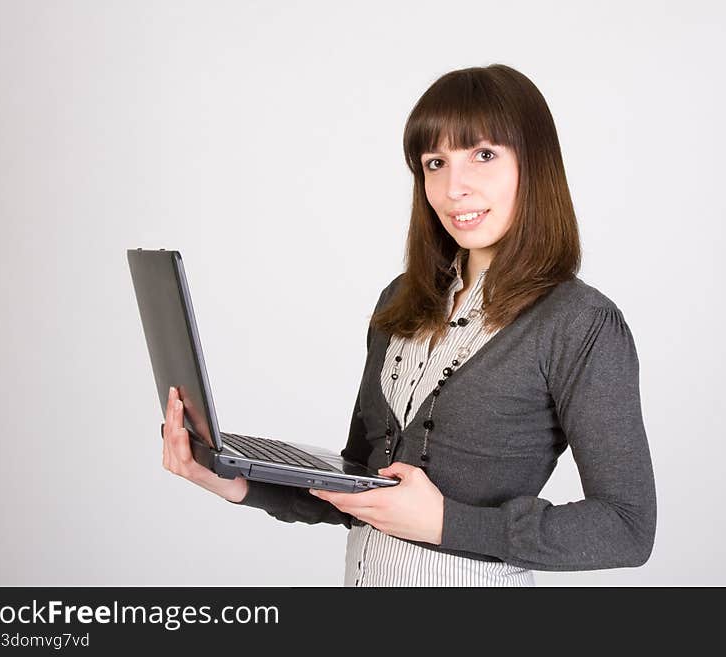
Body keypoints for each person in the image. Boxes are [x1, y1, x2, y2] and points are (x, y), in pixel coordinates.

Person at [161, 63, 657, 586]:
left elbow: (626, 528)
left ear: (535, 165)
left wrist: (447, 523)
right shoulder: (401, 301)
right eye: (435, 162)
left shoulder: (580, 324)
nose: (453, 187)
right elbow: (358, 486)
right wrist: (231, 477)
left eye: (483, 155)